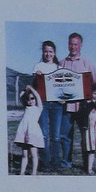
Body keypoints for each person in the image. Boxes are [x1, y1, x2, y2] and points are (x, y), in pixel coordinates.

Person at [60, 32, 96, 171]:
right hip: (67, 107)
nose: (73, 47)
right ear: (68, 44)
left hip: (84, 108)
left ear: (80, 45)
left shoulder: (87, 63)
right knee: (65, 136)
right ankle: (66, 162)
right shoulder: (62, 63)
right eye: (70, 44)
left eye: (75, 44)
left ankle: (87, 164)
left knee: (86, 136)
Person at [32, 40, 62, 171]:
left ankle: (56, 162)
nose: (48, 54)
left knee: (55, 135)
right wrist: (37, 75)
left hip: (56, 104)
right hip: (42, 103)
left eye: (50, 51)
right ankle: (45, 163)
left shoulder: (59, 68)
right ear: (43, 52)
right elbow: (36, 84)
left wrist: (62, 99)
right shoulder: (38, 66)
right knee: (43, 134)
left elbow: (62, 86)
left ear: (54, 53)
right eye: (45, 51)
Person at [13, 86, 45, 176]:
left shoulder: (38, 108)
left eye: (32, 98)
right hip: (24, 133)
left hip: (33, 133)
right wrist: (25, 90)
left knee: (34, 154)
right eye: (28, 99)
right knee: (24, 154)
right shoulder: (26, 107)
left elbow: (38, 97)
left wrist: (31, 89)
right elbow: (21, 96)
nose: (30, 101)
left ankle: (34, 172)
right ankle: (22, 172)